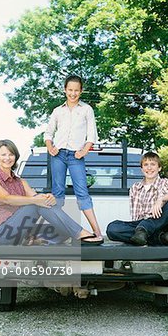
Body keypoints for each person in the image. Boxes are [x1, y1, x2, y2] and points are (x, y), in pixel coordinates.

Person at [0, 139, 103, 245]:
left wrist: (47, 197)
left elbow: (36, 197)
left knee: (63, 229)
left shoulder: (21, 181)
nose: (7, 158)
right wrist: (36, 200)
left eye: (11, 154)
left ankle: (36, 239)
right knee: (36, 205)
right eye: (3, 154)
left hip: (22, 230)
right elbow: (6, 198)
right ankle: (80, 234)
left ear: (15, 157)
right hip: (3, 234)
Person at [44, 74, 103, 240]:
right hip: (58, 155)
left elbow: (91, 135)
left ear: (81, 91)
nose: (73, 93)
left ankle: (97, 232)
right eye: (70, 90)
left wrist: (83, 151)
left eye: (76, 90)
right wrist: (51, 147)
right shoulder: (57, 111)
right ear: (65, 90)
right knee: (57, 194)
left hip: (76, 156)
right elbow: (48, 133)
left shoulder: (86, 110)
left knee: (82, 192)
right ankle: (59, 233)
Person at [107, 152, 168, 246]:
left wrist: (161, 199)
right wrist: (140, 227)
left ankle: (146, 231)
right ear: (142, 169)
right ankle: (159, 238)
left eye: (153, 164)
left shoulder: (165, 182)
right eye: (146, 165)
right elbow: (135, 217)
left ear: (159, 168)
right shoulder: (135, 187)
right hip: (139, 225)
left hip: (160, 223)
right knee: (112, 228)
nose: (149, 168)